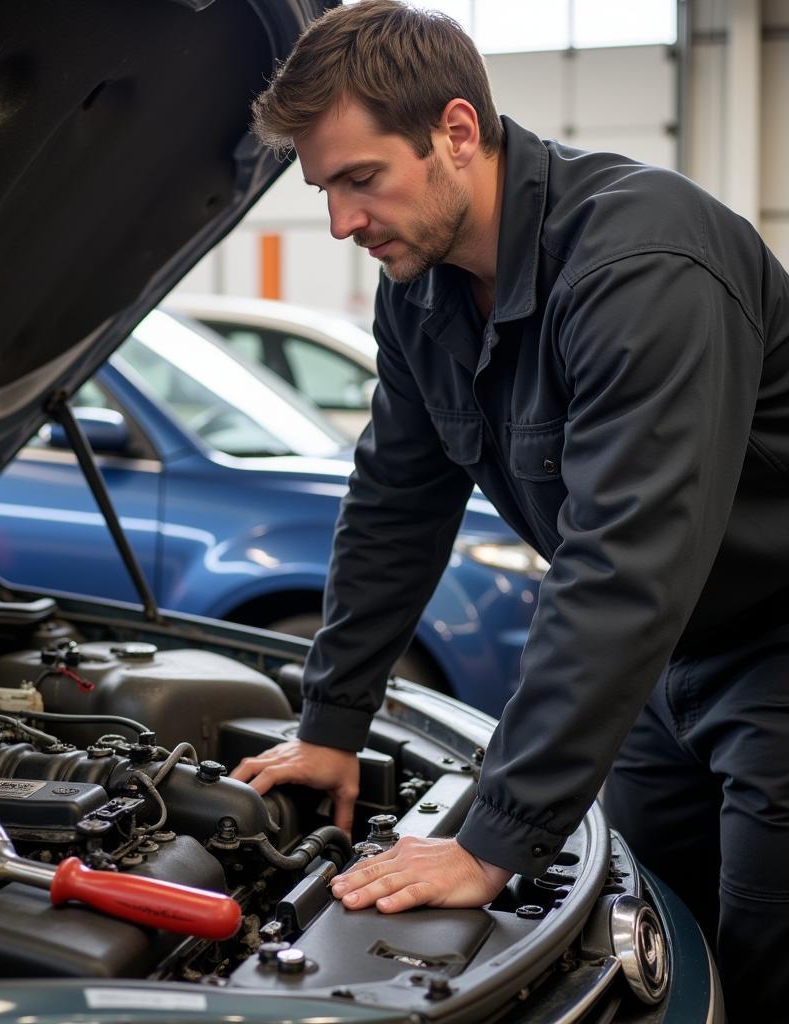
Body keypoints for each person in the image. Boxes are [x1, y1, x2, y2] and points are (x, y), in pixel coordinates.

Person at [227, 2, 789, 1018]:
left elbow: (623, 563)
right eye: (323, 190)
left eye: (362, 179)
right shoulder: (421, 292)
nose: (341, 223)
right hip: (658, 669)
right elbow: (396, 501)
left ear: (454, 131)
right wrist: (331, 719)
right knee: (651, 947)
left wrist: (495, 839)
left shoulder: (639, 267)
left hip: (772, 647)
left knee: (757, 962)